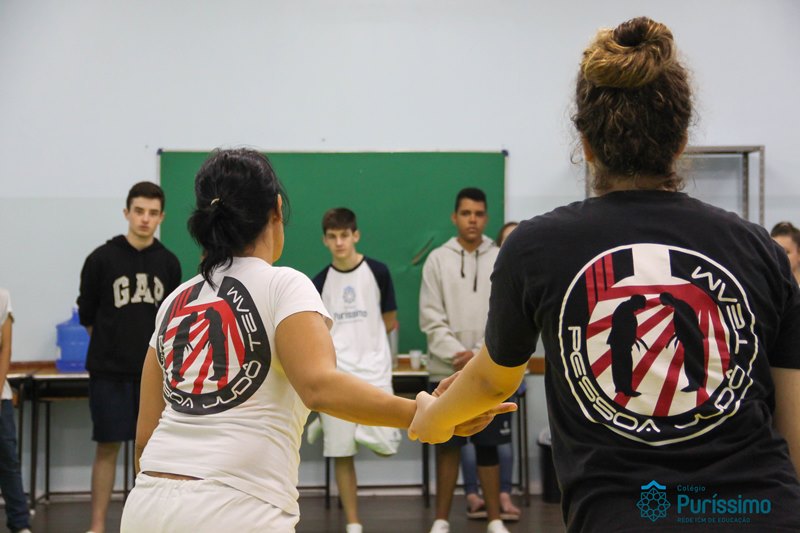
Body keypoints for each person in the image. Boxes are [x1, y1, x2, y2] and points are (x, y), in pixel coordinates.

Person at [409, 16, 800, 532]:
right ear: (681, 140)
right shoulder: (760, 251)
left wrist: (432, 417)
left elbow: (488, 380)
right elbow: (793, 423)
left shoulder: (535, 248)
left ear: (586, 144)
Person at [120, 148, 512, 533]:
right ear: (276, 210)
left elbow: (144, 437)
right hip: (236, 508)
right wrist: (424, 413)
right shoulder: (284, 284)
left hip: (146, 503)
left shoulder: (174, 301)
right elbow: (319, 386)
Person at [77, 181, 181, 533]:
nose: (145, 219)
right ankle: (97, 526)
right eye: (139, 211)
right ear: (126, 213)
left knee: (151, 450)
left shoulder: (169, 263)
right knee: (107, 447)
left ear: (161, 217)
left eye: (152, 213)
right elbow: (87, 315)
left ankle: (146, 524)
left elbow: (172, 322)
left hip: (154, 374)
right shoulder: (101, 259)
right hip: (108, 372)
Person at [419, 187, 509, 533]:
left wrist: (482, 355)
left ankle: (495, 520)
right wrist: (458, 354)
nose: (473, 220)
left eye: (479, 214)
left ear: (486, 218)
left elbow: (505, 314)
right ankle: (441, 520)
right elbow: (430, 317)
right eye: (466, 213)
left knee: (488, 447)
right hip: (446, 370)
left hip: (488, 371)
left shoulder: (500, 257)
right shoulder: (437, 260)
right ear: (454, 217)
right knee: (447, 444)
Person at [311, 207, 401, 533]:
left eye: (345, 235)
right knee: (342, 452)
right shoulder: (318, 282)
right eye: (332, 236)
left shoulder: (378, 272)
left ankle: (342, 424)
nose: (339, 242)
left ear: (356, 235)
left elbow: (390, 321)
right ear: (325, 240)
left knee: (388, 446)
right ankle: (353, 523)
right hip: (337, 376)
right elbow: (317, 331)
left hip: (375, 372)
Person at [460, 221, 522, 522]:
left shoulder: (526, 276)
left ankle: (502, 495)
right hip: (476, 365)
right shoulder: (492, 271)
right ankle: (473, 494)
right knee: (467, 439)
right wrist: (473, 354)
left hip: (510, 369)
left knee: (500, 443)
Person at [0, 289, 32, 533]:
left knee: (8, 459)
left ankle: (19, 522)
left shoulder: (2, 297)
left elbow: (6, 348)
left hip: (1, 397)